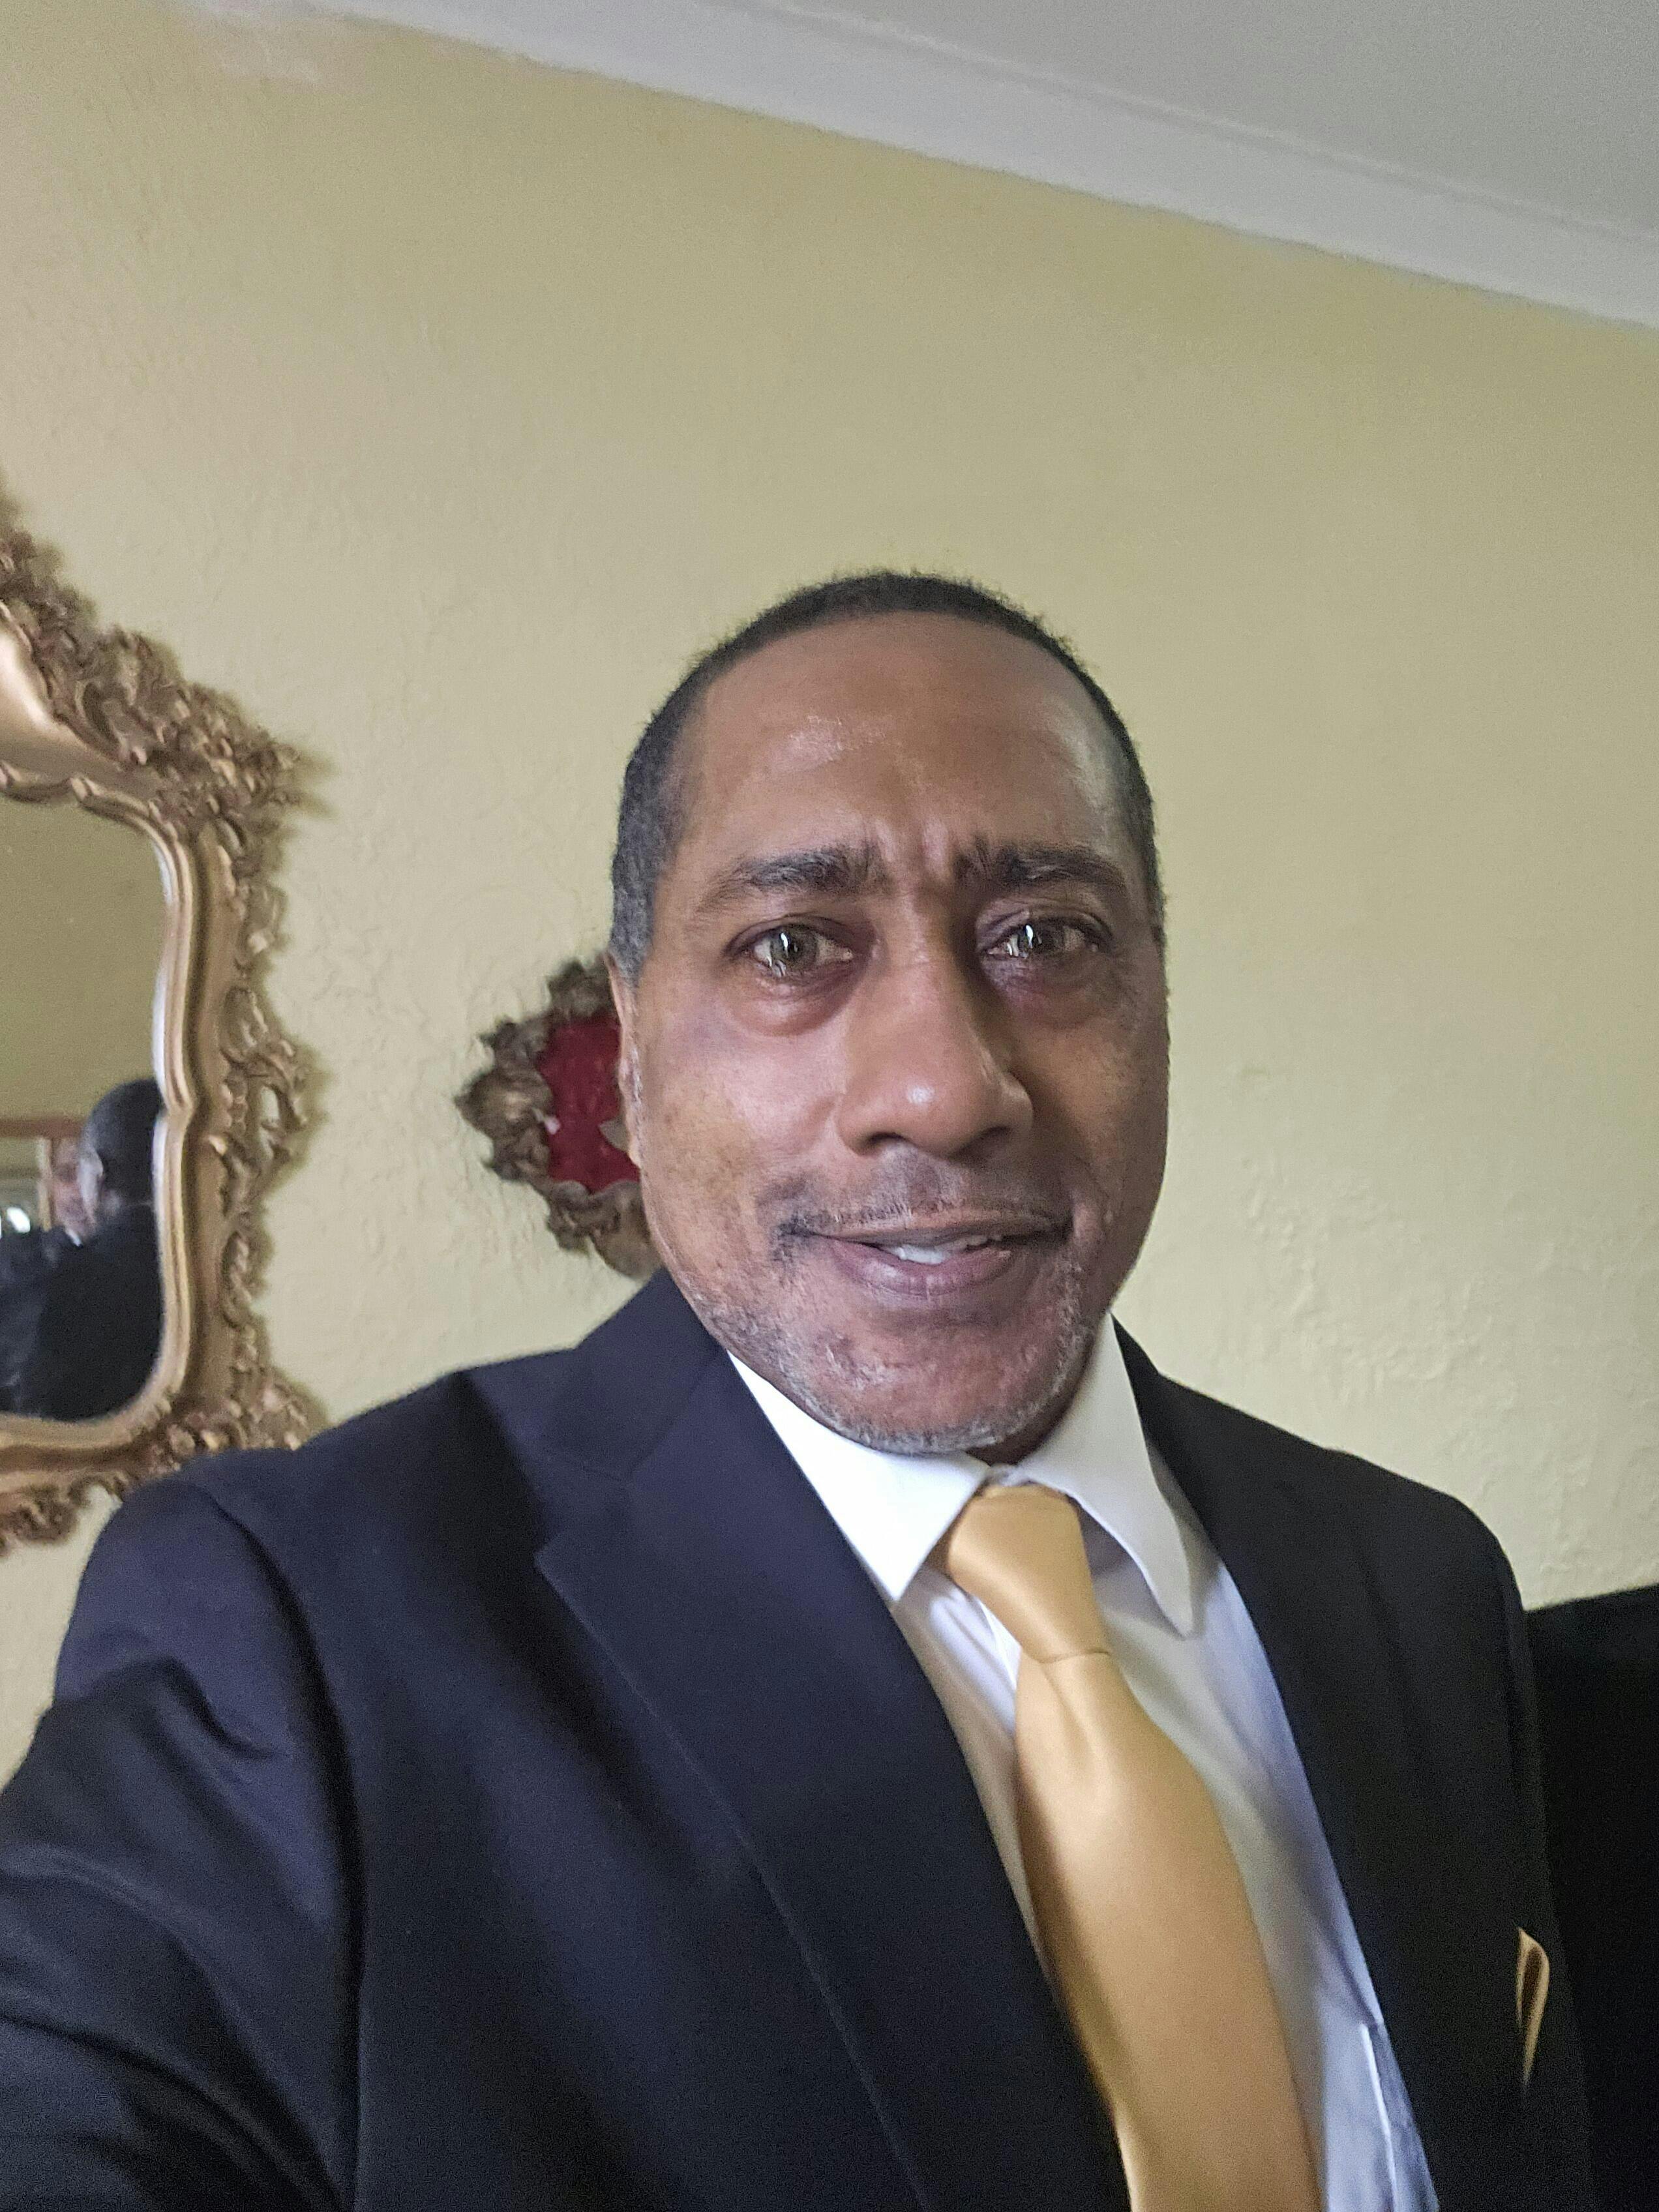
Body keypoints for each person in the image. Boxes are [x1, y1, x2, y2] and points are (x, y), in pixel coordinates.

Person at [0, 576, 1592, 2210]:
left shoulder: (1414, 1580)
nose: (944, 1088)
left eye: (1046, 938)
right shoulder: (294, 1634)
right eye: (793, 947)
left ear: (1159, 1003)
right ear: (632, 1051)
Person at [7, 1077, 164, 1420]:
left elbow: (46, 1407)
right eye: (66, 1175)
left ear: (98, 1172)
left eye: (78, 1171)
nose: (78, 1191)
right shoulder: (214, 1254)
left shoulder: (85, 1274)